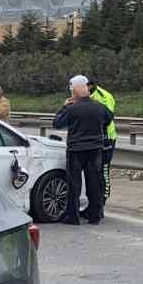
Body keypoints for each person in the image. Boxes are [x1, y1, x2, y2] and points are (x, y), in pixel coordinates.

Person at [51, 75, 113, 225]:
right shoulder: (99, 106)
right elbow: (109, 118)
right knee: (94, 183)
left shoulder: (72, 108)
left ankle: (73, 217)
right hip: (95, 149)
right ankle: (95, 216)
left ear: (75, 91)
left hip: (76, 150)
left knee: (74, 184)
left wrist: (64, 106)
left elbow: (57, 124)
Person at [87, 78, 116, 200]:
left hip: (106, 138)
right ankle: (92, 201)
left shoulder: (103, 95)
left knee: (103, 171)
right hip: (90, 138)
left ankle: (103, 199)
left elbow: (108, 117)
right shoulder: (82, 95)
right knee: (91, 172)